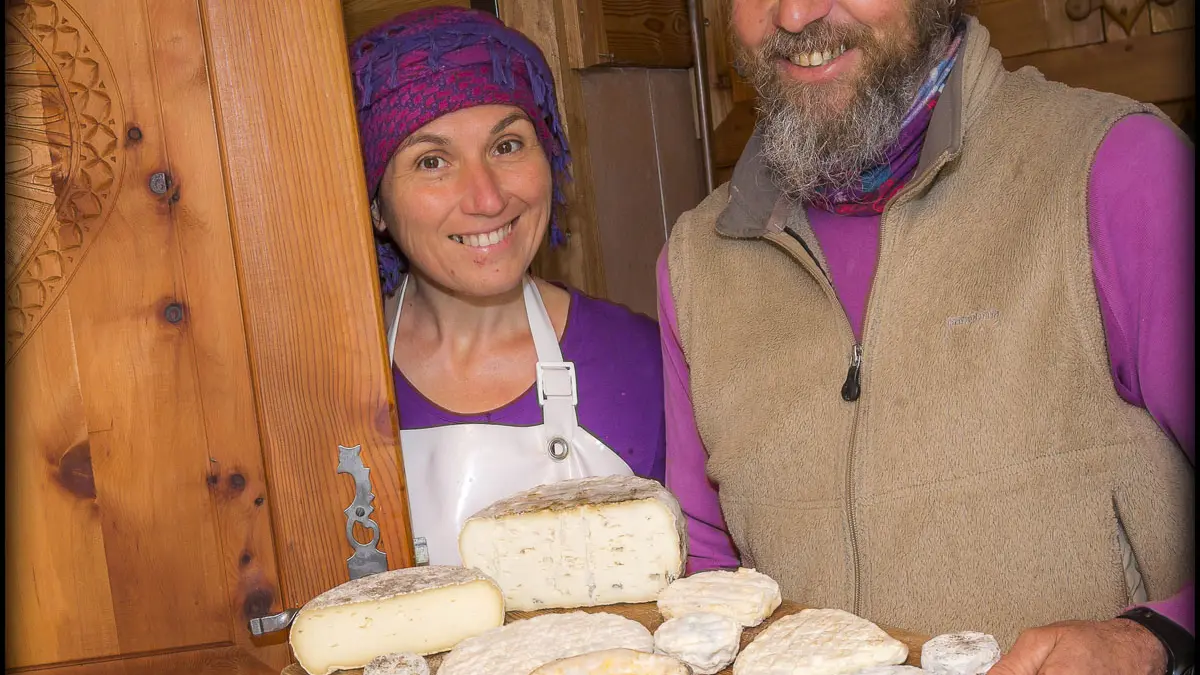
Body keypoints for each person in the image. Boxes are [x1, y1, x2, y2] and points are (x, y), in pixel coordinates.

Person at [658, 0, 1194, 673]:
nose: (793, 15)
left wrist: (1158, 637)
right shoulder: (695, 264)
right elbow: (706, 573)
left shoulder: (1121, 172)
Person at [349, 6, 664, 567]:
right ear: (375, 203)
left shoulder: (647, 364)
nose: (488, 199)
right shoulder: (329, 392)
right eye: (432, 161)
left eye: (507, 146)